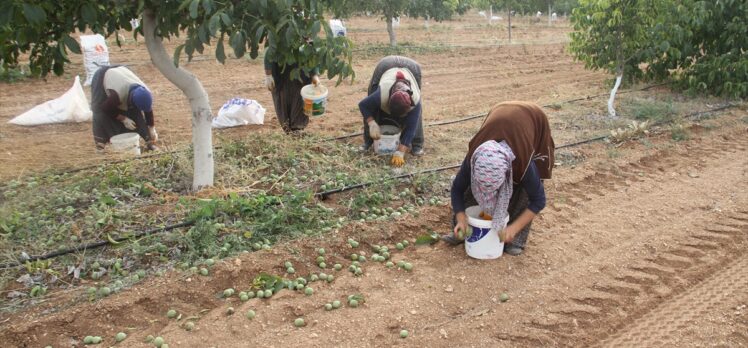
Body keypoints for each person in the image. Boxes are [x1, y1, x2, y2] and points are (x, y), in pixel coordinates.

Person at [445, 101, 555, 256]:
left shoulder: (523, 164)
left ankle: (516, 239)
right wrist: (461, 217)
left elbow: (538, 200)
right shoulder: (474, 159)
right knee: (470, 190)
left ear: (507, 173)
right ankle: (462, 230)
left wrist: (513, 228)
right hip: (500, 113)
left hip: (532, 119)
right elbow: (457, 188)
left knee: (523, 191)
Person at [358, 55, 425, 167]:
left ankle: (417, 144)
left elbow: (411, 126)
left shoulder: (415, 101)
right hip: (385, 65)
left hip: (412, 68)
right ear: (388, 102)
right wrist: (371, 123)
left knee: (416, 118)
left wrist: (400, 151)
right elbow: (363, 105)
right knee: (373, 108)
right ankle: (368, 141)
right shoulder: (380, 95)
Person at [91, 65, 158, 151]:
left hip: (122, 72)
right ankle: (100, 145)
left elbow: (148, 110)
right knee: (98, 111)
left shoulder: (145, 92)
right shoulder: (116, 96)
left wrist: (152, 128)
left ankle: (149, 142)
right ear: (130, 98)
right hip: (102, 77)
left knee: (134, 110)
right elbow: (106, 108)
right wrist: (123, 119)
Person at [264, 52, 320, 134]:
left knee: (300, 102)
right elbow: (270, 53)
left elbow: (312, 53)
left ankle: (297, 129)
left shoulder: (307, 41)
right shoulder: (280, 40)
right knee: (283, 105)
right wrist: (268, 75)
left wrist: (315, 75)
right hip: (281, 76)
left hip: (301, 77)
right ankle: (288, 129)